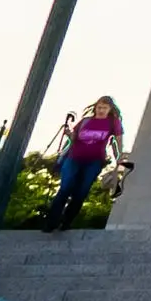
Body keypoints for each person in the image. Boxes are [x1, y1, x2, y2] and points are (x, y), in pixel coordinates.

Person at [43, 96, 125, 230]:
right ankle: (51, 221)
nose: (101, 110)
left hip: (94, 161)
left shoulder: (112, 122)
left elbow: (117, 140)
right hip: (74, 157)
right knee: (65, 188)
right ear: (95, 108)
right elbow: (74, 138)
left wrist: (119, 156)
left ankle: (67, 221)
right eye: (99, 107)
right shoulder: (86, 121)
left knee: (81, 191)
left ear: (110, 109)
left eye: (104, 108)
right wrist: (69, 134)